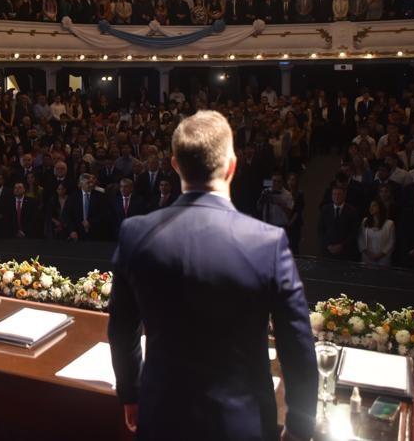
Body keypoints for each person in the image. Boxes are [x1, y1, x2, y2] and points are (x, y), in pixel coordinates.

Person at [108, 111, 317, 441]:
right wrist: (301, 425)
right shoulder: (268, 243)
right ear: (232, 165)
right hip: (242, 424)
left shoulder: (135, 234)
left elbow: (122, 328)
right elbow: (298, 348)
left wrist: (130, 394)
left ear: (175, 165)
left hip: (161, 415)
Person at [358, 199, 395, 267]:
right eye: (370, 206)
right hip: (367, 258)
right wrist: (368, 254)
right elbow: (361, 239)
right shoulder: (365, 221)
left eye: (374, 206)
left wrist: (380, 255)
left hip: (383, 259)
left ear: (380, 207)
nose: (371, 208)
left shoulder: (389, 223)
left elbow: (391, 242)